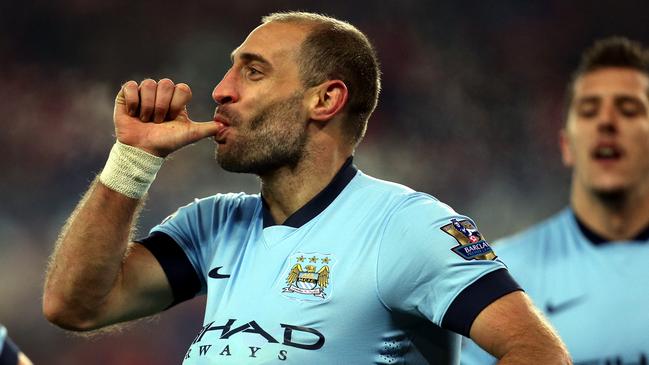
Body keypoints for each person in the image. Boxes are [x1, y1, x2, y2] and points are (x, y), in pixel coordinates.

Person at [42, 11, 569, 364]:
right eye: (230, 71)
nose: (221, 91)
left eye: (252, 72)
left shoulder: (404, 226)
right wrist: (132, 161)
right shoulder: (211, 225)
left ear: (325, 100)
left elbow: (538, 354)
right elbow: (75, 305)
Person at [461, 36, 649, 364]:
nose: (606, 122)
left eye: (628, 109)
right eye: (589, 111)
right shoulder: (503, 275)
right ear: (566, 145)